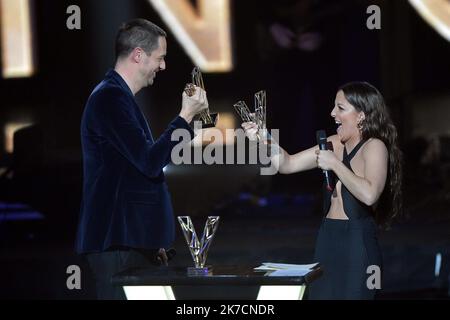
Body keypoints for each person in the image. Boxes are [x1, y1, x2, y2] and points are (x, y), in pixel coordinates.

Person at [75, 19, 208, 299]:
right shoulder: (109, 98)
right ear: (138, 54)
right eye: (160, 58)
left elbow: (135, 170)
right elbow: (149, 162)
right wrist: (184, 117)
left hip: (131, 242)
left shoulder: (118, 97)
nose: (163, 66)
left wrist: (148, 242)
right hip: (116, 245)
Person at [242, 82, 402, 299]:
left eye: (341, 108)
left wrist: (335, 164)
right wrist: (264, 138)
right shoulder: (334, 143)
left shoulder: (374, 146)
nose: (332, 113)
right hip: (327, 239)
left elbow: (370, 194)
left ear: (361, 115)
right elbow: (287, 164)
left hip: (358, 247)